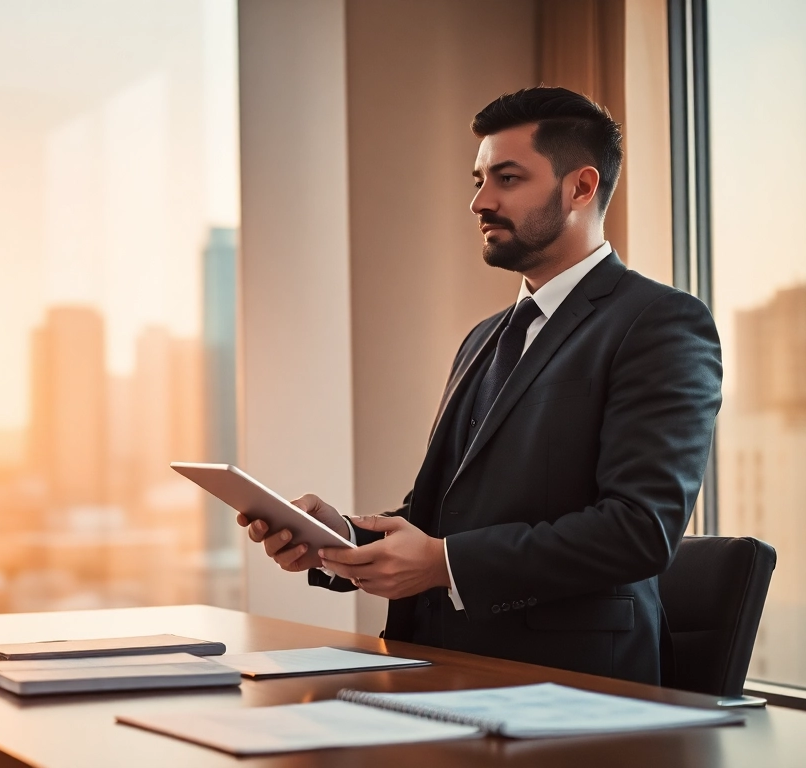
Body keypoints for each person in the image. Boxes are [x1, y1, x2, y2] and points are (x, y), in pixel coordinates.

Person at [238, 87, 722, 685]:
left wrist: (442, 564)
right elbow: (442, 516)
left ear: (581, 186)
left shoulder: (661, 323)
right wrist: (335, 540)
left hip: (572, 692)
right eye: (477, 180)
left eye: (507, 179)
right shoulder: (485, 338)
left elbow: (638, 530)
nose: (479, 201)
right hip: (438, 672)